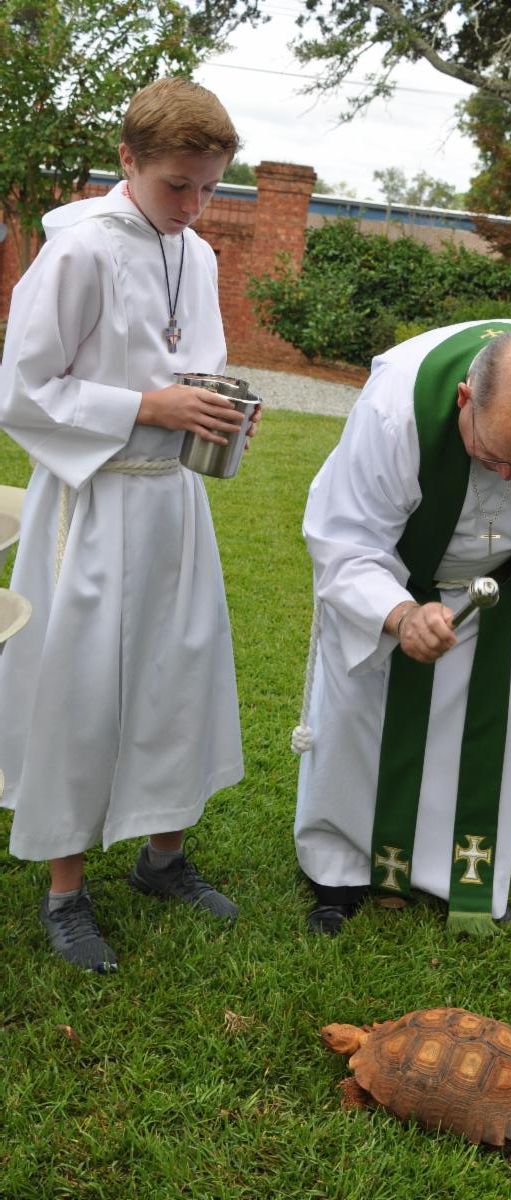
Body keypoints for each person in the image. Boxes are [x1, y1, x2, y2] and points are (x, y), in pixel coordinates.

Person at [0, 77, 260, 973]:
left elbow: (201, 364)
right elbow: (24, 390)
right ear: (128, 161)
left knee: (175, 673)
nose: (193, 207)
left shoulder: (202, 253)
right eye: (175, 187)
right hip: (95, 504)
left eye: (209, 187)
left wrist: (219, 409)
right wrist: (151, 402)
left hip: (173, 502)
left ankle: (162, 857)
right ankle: (66, 892)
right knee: (80, 689)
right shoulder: (77, 252)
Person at [293, 320, 511, 936]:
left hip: (506, 579)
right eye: (494, 456)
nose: (506, 478)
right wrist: (397, 613)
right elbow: (345, 535)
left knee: (492, 734)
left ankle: (460, 879)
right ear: (465, 400)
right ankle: (339, 872)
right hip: (394, 571)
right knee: (360, 723)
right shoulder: (396, 403)